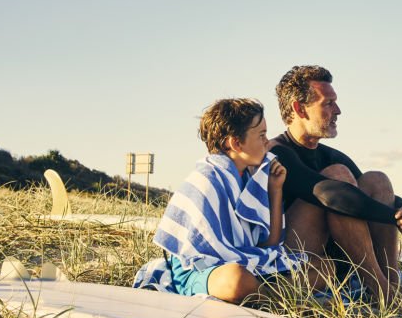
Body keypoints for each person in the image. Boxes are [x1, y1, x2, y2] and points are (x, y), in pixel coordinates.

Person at [133, 98, 325, 304]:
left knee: (322, 267)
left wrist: (275, 190)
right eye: (261, 135)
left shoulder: (252, 179)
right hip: (202, 272)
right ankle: (276, 295)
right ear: (235, 143)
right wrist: (244, 266)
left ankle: (267, 295)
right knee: (235, 280)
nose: (268, 142)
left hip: (249, 265)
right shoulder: (204, 180)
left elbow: (270, 244)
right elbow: (202, 257)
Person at [269, 65, 402, 305]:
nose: (338, 111)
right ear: (300, 109)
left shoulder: (331, 155)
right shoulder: (276, 151)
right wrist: (394, 217)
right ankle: (383, 291)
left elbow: (371, 198)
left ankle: (392, 283)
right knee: (338, 178)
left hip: (335, 256)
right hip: (295, 260)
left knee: (377, 180)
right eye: (328, 103)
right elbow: (334, 196)